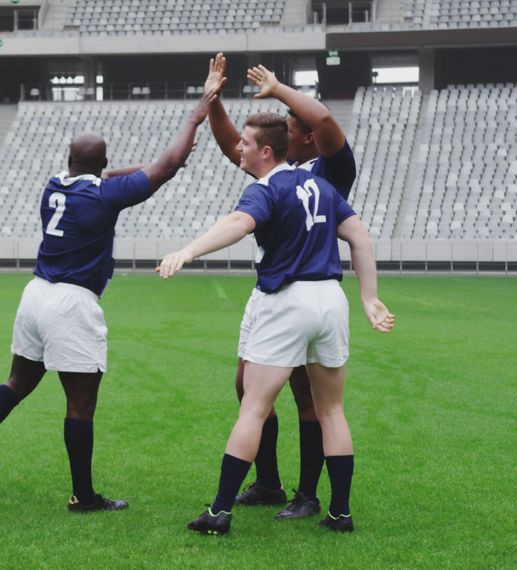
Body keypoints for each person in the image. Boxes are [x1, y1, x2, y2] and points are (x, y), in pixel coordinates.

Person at [0, 68, 218, 513]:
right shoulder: (105, 197)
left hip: (35, 294)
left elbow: (119, 175)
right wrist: (196, 115)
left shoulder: (54, 185)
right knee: (80, 404)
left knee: (17, 382)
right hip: (72, 303)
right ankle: (83, 495)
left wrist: (150, 165)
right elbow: (159, 169)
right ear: (103, 165)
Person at [156, 112, 394, 535]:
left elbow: (238, 223)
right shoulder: (321, 186)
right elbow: (360, 236)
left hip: (286, 301)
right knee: (332, 410)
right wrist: (370, 298)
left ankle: (219, 512)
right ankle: (339, 513)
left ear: (267, 151)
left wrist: (188, 251)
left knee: (254, 406)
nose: (239, 149)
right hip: (330, 301)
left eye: (245, 143)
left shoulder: (266, 188)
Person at [201, 54, 358, 519]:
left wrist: (279, 87)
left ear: (307, 136)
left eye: (291, 124)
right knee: (247, 387)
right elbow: (237, 145)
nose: (282, 129)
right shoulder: (276, 171)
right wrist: (212, 101)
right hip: (270, 290)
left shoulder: (331, 173)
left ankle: (307, 494)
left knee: (309, 398)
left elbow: (325, 119)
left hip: (302, 292)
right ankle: (268, 482)